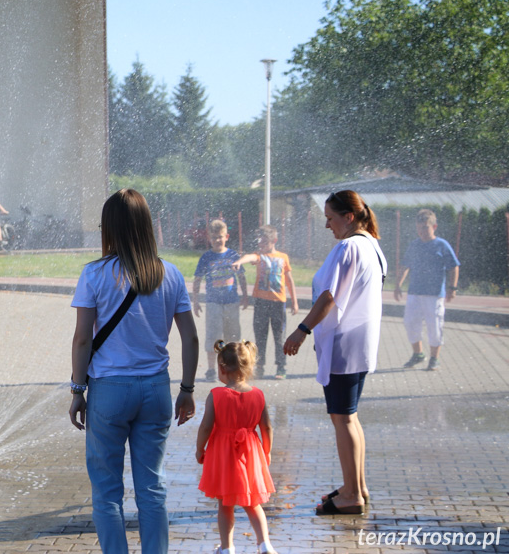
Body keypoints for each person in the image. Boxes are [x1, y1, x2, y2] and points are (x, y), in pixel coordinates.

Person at [69, 188, 199, 554]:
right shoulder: (169, 274)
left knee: (107, 491)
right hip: (156, 390)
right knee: (152, 488)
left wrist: (78, 391)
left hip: (109, 391)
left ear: (108, 228)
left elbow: (82, 340)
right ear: (146, 226)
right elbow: (190, 338)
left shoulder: (94, 274)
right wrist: (187, 389)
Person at [283, 190, 386, 515]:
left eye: (330, 218)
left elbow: (329, 297)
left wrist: (302, 330)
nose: (327, 225)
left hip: (343, 344)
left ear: (349, 217)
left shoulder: (348, 247)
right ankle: (356, 485)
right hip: (360, 343)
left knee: (342, 418)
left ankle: (352, 496)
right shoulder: (371, 245)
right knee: (349, 417)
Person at [196, 340, 276, 554]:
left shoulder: (216, 395)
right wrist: (266, 451)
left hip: (223, 455)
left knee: (225, 504)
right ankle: (264, 544)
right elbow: (267, 427)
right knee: (252, 502)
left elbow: (206, 426)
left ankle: (227, 548)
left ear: (221, 368)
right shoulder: (258, 395)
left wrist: (199, 449)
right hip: (250, 453)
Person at [394, 209, 460, 371]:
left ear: (434, 227)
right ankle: (418, 354)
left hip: (434, 294)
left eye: (425, 228)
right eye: (419, 228)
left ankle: (434, 358)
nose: (422, 232)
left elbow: (454, 267)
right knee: (410, 323)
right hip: (415, 292)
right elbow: (405, 266)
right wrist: (398, 285)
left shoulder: (442, 245)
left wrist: (452, 288)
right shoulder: (414, 245)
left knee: (434, 326)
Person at [232, 225, 298, 379]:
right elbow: (249, 257)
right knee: (260, 336)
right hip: (261, 302)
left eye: (265, 242)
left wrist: (294, 301)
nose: (261, 245)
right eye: (259, 242)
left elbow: (289, 280)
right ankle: (259, 366)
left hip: (278, 303)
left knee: (279, 336)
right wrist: (239, 262)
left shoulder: (283, 258)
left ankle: (281, 367)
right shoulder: (259, 256)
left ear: (274, 240)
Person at [192, 219, 248, 382]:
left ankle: (234, 367)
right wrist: (195, 301)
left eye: (221, 237)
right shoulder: (206, 257)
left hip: (231, 302)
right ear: (209, 238)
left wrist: (245, 296)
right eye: (214, 237)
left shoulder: (233, 255)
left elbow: (242, 277)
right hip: (213, 303)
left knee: (232, 335)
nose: (218, 240)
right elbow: (197, 279)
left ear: (227, 236)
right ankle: (211, 369)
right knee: (213, 336)